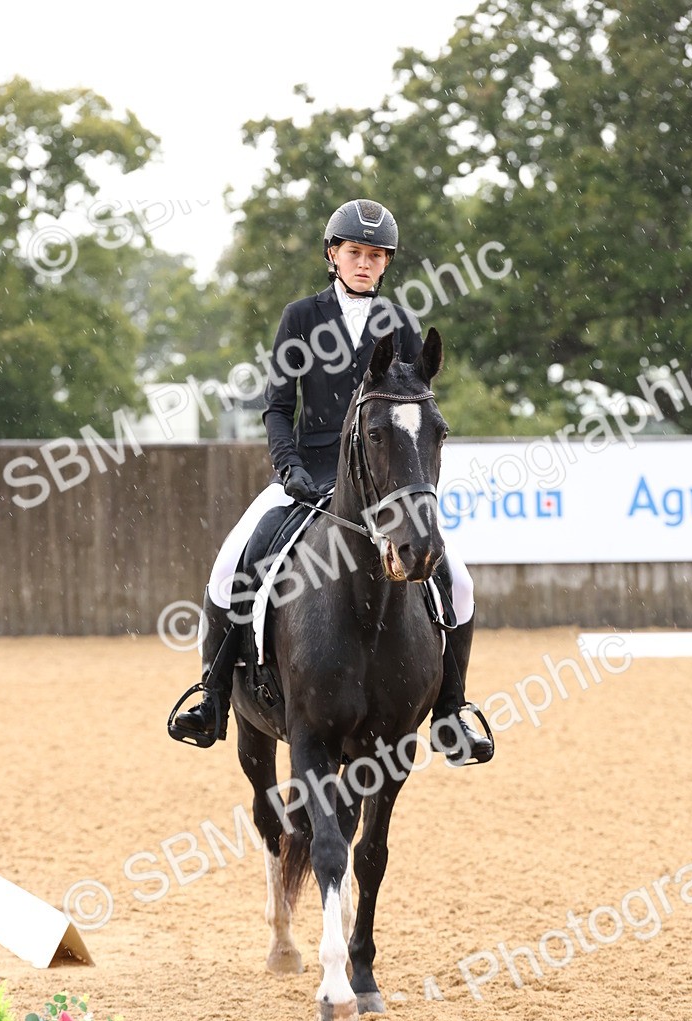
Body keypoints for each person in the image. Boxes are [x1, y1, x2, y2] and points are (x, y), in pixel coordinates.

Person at [170, 198, 492, 765]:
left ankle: (451, 711)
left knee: (458, 583)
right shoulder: (301, 318)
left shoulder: (400, 323)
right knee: (229, 569)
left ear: (386, 263)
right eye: (355, 253)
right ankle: (212, 695)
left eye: (376, 255)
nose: (364, 263)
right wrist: (288, 466)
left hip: (381, 484)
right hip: (309, 474)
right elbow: (277, 407)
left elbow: (411, 407)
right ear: (333, 255)